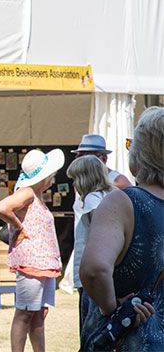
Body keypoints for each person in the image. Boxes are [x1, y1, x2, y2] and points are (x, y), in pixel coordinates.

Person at [79, 107, 162, 351]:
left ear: (142, 152)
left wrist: (112, 309)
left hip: (131, 341)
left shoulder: (125, 202)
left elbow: (94, 269)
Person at [0, 148, 64, 352]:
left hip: (43, 263)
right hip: (31, 262)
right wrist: (19, 227)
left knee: (39, 313)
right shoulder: (26, 192)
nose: (52, 179)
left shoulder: (36, 195)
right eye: (49, 175)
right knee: (25, 312)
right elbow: (2, 208)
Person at [65, 155, 114, 331]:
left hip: (91, 273)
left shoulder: (92, 198)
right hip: (102, 272)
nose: (74, 185)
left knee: (89, 329)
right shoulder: (108, 195)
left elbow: (100, 231)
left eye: (75, 180)